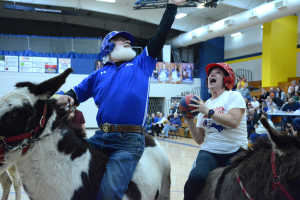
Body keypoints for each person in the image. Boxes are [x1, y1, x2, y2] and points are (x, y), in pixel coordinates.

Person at [56, 1, 185, 199]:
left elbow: (159, 36)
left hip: (128, 141)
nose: (127, 41)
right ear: (107, 46)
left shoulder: (141, 63)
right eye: (121, 40)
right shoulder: (98, 73)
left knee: (109, 193)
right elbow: (76, 92)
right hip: (100, 137)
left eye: (128, 40)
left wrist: (171, 7)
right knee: (70, 175)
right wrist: (66, 97)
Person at [183, 63, 247, 200]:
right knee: (196, 178)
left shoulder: (233, 96)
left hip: (236, 150)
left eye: (217, 72)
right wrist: (189, 122)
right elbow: (200, 139)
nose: (212, 74)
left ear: (226, 79)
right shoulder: (206, 104)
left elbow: (234, 121)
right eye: (210, 73)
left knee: (237, 183)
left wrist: (208, 112)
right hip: (210, 151)